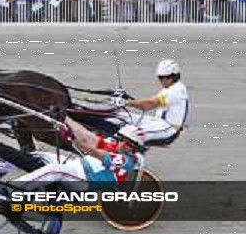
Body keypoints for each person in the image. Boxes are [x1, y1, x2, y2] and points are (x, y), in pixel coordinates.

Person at [13, 124, 144, 187]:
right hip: (76, 167)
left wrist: (72, 140)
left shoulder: (126, 161)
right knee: (38, 155)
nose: (121, 143)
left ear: (131, 147)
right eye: (121, 139)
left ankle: (14, 188)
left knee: (55, 169)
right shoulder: (113, 145)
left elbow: (96, 153)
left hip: (84, 181)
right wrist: (67, 128)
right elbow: (87, 140)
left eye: (125, 142)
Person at [111, 59, 189, 145]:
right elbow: (147, 102)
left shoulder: (175, 91)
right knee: (118, 116)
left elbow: (148, 105)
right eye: (160, 77)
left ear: (175, 76)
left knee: (130, 133)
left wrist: (125, 102)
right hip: (157, 122)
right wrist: (125, 98)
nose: (163, 80)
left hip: (168, 129)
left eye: (167, 77)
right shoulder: (170, 88)